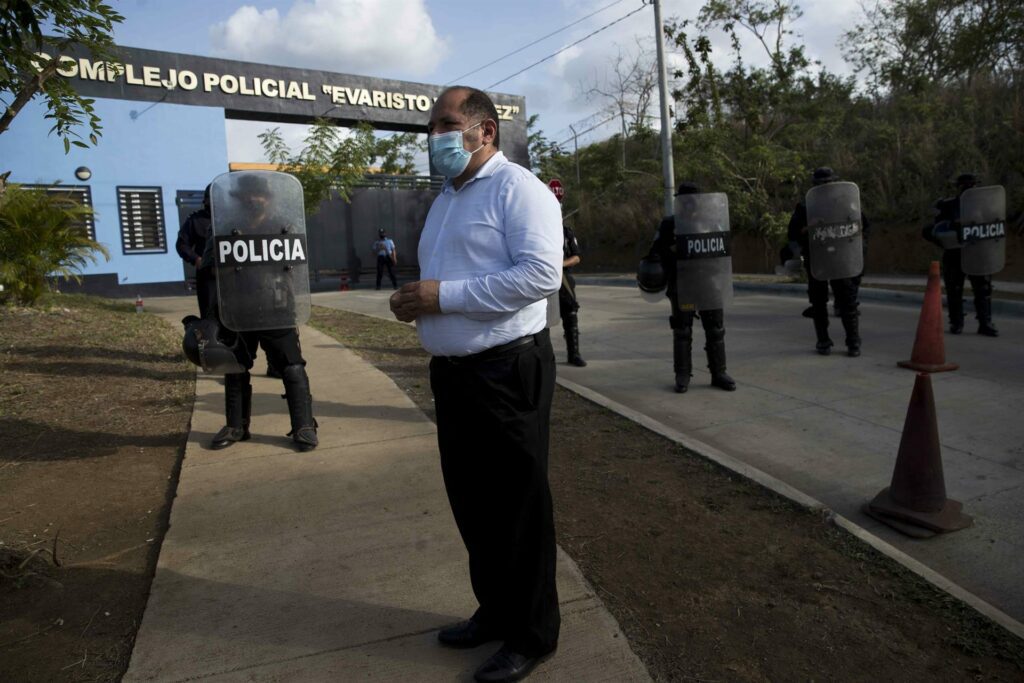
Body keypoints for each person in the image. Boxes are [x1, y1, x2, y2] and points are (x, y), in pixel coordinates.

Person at [389, 86, 562, 683]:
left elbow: (541, 275)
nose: (431, 136)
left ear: (484, 131)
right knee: (474, 505)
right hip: (456, 376)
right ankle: (495, 612)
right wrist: (416, 300)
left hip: (508, 371)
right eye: (430, 126)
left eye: (444, 124)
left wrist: (443, 296)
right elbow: (446, 277)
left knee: (518, 509)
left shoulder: (521, 191)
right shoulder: (446, 197)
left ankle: (533, 635)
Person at [202, 173, 318, 452]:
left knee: (292, 366)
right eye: (248, 195)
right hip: (236, 309)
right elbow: (206, 269)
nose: (255, 199)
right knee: (236, 366)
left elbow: (298, 269)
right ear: (239, 199)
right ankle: (236, 425)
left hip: (276, 307)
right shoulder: (223, 227)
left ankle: (303, 426)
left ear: (269, 198)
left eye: (260, 195)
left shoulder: (284, 225)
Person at [645, 182, 736, 393]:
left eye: (693, 201)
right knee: (682, 331)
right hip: (682, 283)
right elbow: (654, 252)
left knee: (715, 330)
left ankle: (719, 372)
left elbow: (724, 248)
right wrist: (673, 249)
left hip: (709, 282)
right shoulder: (670, 224)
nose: (690, 205)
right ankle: (682, 374)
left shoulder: (713, 221)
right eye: (685, 201)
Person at [787, 167, 870, 356]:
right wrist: (809, 228)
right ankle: (823, 341)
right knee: (818, 303)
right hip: (817, 261)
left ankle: (853, 342)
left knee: (848, 303)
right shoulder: (806, 207)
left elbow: (863, 227)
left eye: (828, 183)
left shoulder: (847, 204)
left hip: (841, 259)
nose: (825, 187)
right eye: (820, 184)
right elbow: (792, 234)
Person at [923, 173, 999, 336]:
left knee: (983, 289)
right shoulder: (947, 206)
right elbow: (934, 229)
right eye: (965, 186)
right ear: (958, 187)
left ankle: (985, 323)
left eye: (972, 186)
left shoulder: (986, 206)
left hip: (978, 253)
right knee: (954, 290)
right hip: (955, 253)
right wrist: (946, 239)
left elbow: (995, 226)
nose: (969, 189)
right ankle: (957, 323)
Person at [548, 188, 587, 366]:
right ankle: (546, 358)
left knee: (570, 316)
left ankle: (574, 354)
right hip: (544, 281)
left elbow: (576, 256)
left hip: (564, 281)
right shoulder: (540, 231)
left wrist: (560, 264)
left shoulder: (566, 232)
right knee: (542, 321)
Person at [175, 184, 214, 318]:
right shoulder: (195, 220)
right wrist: (196, 259)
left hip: (231, 276)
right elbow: (182, 244)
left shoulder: (231, 219)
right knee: (209, 317)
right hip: (208, 276)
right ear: (207, 200)